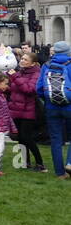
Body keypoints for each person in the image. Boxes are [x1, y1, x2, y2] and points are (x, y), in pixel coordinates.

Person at [37, 40, 71, 179]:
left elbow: (39, 88)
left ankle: (59, 173)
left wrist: (47, 100)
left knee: (56, 140)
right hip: (69, 106)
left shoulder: (46, 65)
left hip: (51, 107)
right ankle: (69, 162)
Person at [8, 51, 46, 172]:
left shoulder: (36, 74)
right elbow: (14, 89)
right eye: (22, 58)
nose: (22, 61)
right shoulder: (20, 72)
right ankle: (25, 162)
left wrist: (15, 77)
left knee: (27, 137)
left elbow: (29, 89)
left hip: (28, 110)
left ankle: (40, 164)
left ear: (33, 63)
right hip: (16, 109)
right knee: (20, 137)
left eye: (25, 60)